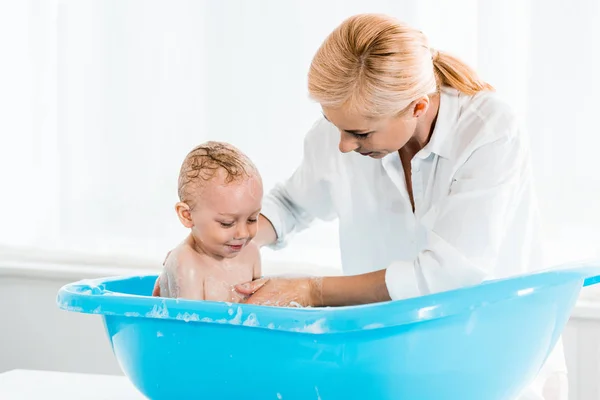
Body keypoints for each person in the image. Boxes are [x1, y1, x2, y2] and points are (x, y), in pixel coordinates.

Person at [163, 13, 567, 400]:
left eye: (358, 133)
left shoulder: (488, 131)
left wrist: (311, 291)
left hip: (495, 360)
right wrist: (215, 241)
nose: (342, 144)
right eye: (332, 123)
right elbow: (288, 205)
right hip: (388, 364)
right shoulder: (342, 133)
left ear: (417, 107)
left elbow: (448, 273)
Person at [153, 141, 262, 302]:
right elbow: (190, 326)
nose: (243, 233)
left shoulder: (251, 253)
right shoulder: (186, 264)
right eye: (227, 223)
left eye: (252, 219)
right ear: (187, 215)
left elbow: (258, 311)